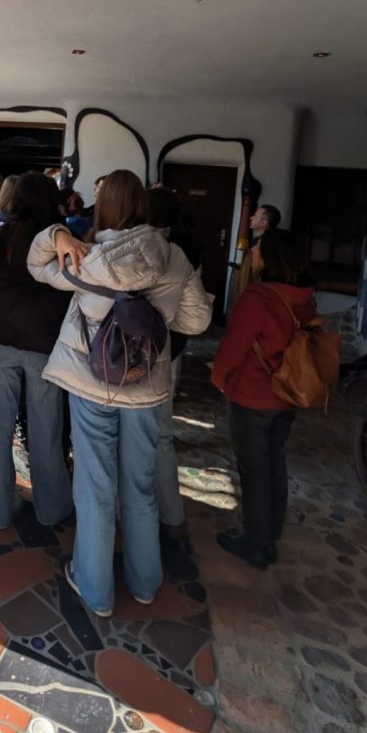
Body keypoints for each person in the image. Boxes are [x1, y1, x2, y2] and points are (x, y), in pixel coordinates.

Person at [28, 170, 212, 616]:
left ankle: (96, 589)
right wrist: (158, 318)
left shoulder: (88, 258)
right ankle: (145, 581)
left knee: (95, 485)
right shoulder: (175, 257)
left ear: (105, 206)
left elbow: (37, 266)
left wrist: (55, 234)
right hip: (147, 388)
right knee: (140, 483)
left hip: (93, 384)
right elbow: (198, 321)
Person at [0, 173, 73, 531]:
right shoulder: (64, 240)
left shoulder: (3, 235)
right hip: (45, 350)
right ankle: (52, 509)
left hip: (0, 344)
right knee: (46, 430)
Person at [211, 229, 315, 569]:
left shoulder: (258, 298)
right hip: (287, 393)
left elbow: (234, 347)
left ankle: (256, 543)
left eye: (258, 248)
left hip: (253, 395)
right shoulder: (305, 297)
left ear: (271, 257)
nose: (253, 252)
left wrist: (220, 379)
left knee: (253, 469)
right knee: (274, 462)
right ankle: (270, 534)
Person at [145, 188, 205, 538]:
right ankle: (170, 514)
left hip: (127, 350)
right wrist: (171, 328)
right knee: (162, 433)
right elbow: (198, 317)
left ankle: (134, 512)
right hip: (169, 347)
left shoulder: (134, 246)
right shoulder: (187, 247)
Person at [235, 201, 281, 297]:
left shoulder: (267, 245)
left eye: (255, 216)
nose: (251, 218)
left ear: (263, 223)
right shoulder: (257, 241)